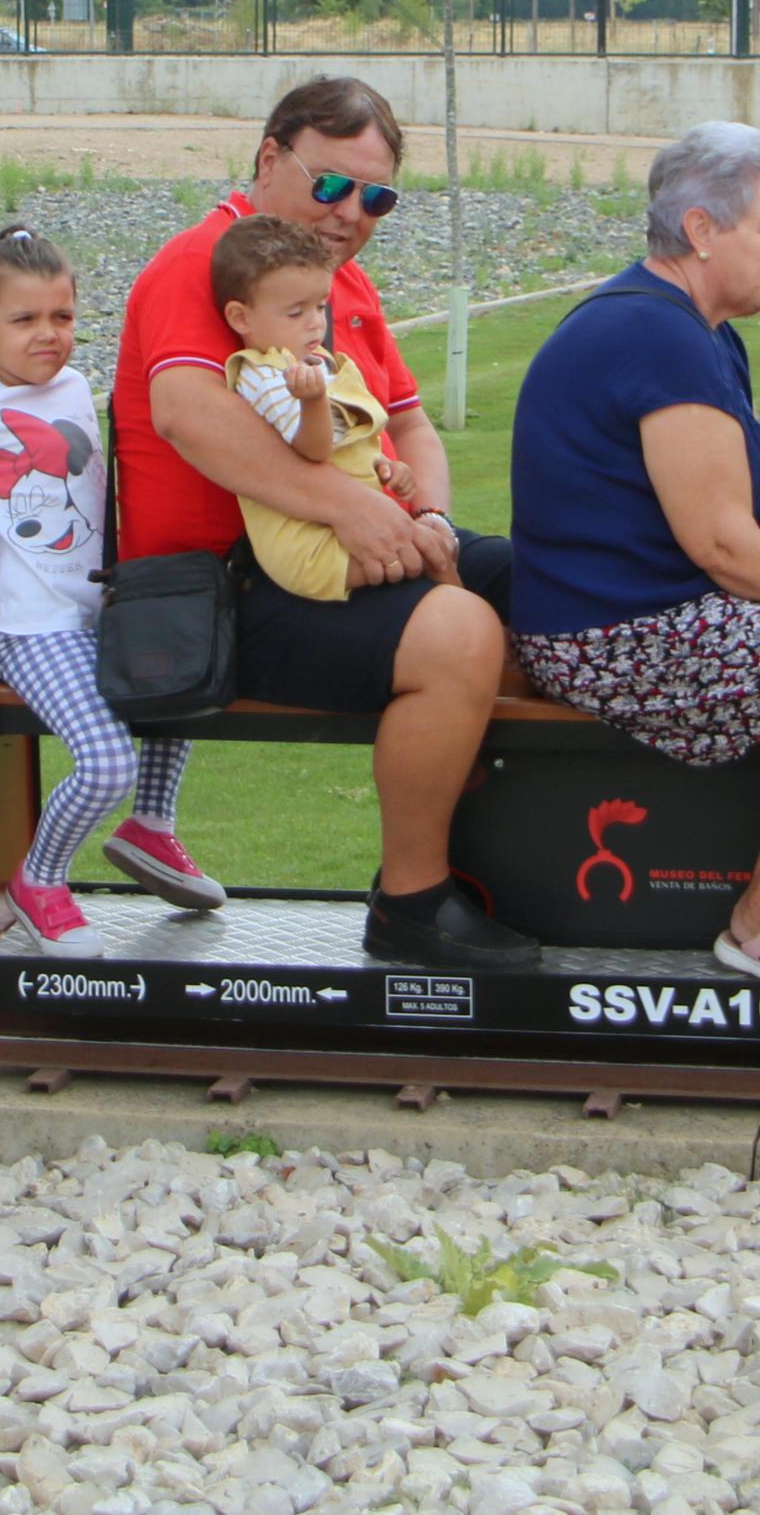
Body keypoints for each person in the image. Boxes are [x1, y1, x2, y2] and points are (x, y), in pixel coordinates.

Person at [111, 76, 523, 971]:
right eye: (331, 184)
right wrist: (353, 506)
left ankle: (554, 864)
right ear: (269, 159)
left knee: (555, 579)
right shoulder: (210, 261)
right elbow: (185, 409)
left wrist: (431, 517)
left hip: (327, 556)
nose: (351, 212)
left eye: (376, 196)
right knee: (456, 631)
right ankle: (413, 901)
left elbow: (407, 421)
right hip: (222, 588)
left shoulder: (338, 286)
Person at [508, 123, 760, 987]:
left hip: (644, 614)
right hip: (613, 634)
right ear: (701, 230)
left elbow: (759, 501)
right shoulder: (656, 335)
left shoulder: (696, 331)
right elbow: (724, 543)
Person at [0, 226, 218, 952]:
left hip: (95, 611)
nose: (47, 335)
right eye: (24, 320)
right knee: (106, 758)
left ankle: (150, 827)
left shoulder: (78, 386)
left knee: (178, 680)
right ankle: (40, 880)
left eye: (62, 316)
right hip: (28, 625)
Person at [214, 216, 399, 602]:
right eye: (296, 313)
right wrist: (313, 401)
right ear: (240, 317)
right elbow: (315, 449)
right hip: (310, 548)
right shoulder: (264, 376)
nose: (316, 324)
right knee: (426, 561)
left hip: (341, 527)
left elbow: (350, 448)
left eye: (321, 306)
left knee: (435, 550)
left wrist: (386, 468)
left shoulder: (313, 364)